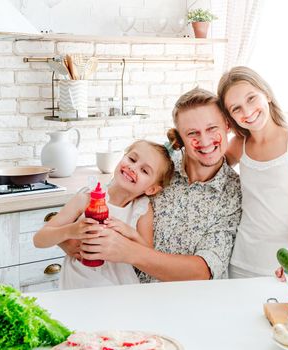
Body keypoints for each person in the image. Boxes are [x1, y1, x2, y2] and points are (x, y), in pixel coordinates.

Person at [59, 87, 242, 283]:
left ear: (227, 125)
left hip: (187, 302)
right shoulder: (156, 168)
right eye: (192, 133)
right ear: (180, 138)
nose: (204, 141)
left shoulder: (232, 191)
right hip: (125, 292)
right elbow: (106, 202)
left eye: (212, 128)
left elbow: (203, 270)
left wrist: (130, 252)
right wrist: (66, 240)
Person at [217, 66, 288, 278]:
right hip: (240, 261)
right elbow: (209, 170)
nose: (246, 112)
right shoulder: (238, 145)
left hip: (283, 266)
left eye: (251, 98)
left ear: (267, 94)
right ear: (230, 118)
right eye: (236, 109)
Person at [33, 140, 174, 289]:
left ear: (151, 189)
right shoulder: (86, 198)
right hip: (79, 281)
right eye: (132, 159)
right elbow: (40, 239)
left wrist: (129, 232)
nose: (133, 167)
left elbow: (147, 254)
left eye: (144, 171)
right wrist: (71, 231)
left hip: (118, 284)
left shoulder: (142, 209)